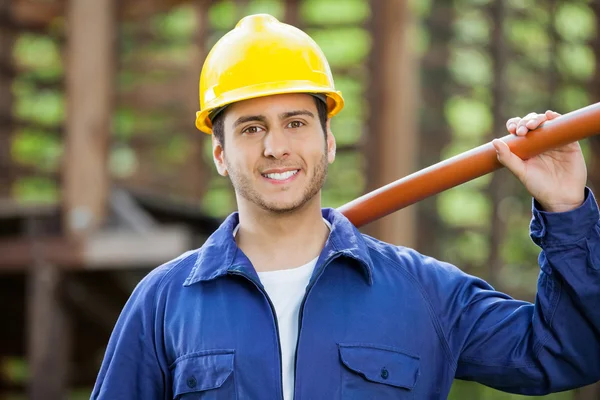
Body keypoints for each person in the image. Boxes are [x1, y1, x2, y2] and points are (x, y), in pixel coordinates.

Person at [91, 14, 600, 399]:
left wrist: (565, 211)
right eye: (252, 128)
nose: (276, 147)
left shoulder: (424, 294)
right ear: (220, 153)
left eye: (295, 122)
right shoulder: (162, 304)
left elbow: (566, 354)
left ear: (328, 141)